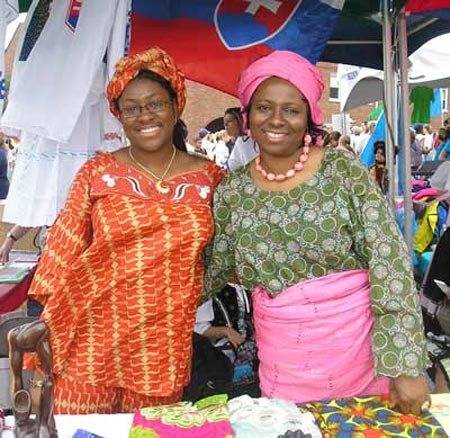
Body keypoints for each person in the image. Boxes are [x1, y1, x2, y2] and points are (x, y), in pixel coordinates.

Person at [204, 50, 430, 416]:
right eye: (264, 107)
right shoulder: (233, 193)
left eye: (291, 110)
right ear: (247, 115)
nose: (276, 119)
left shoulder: (341, 170)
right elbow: (211, 270)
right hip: (285, 364)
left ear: (309, 115)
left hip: (361, 355)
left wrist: (404, 364)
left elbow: (389, 261)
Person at [26, 47, 223, 414]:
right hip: (88, 344)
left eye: (155, 104)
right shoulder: (97, 173)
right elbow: (60, 257)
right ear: (119, 115)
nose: (144, 115)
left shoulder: (211, 179)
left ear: (175, 105)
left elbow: (228, 257)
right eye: (131, 108)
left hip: (160, 354)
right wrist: (42, 341)